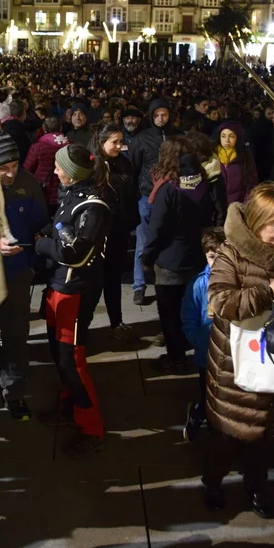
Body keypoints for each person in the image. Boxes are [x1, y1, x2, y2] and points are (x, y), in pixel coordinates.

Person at [204, 182, 274, 519]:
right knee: (226, 434)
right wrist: (269, 290)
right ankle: (213, 482)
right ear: (258, 222)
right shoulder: (231, 252)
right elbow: (221, 302)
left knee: (261, 434)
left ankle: (256, 485)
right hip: (233, 365)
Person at [36, 144, 111, 458]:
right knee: (59, 352)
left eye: (58, 167)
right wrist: (48, 234)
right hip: (60, 285)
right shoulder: (72, 194)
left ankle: (92, 428)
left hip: (75, 290)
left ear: (72, 173)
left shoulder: (93, 207)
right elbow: (58, 229)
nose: (54, 171)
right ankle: (71, 406)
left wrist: (42, 244)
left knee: (72, 360)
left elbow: (75, 253)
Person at [143, 145, 220, 375]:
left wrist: (148, 256)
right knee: (192, 309)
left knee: (170, 314)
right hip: (196, 258)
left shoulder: (169, 190)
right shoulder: (205, 188)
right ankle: (194, 347)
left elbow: (156, 228)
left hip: (169, 262)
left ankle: (176, 359)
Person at [0, 131, 49, 420]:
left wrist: (33, 264)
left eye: (14, 166)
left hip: (17, 273)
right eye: (3, 168)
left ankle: (13, 392)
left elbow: (40, 223)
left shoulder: (27, 182)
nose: (10, 174)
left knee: (16, 335)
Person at [93, 123, 139, 339]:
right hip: (97, 232)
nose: (120, 146)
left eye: (121, 141)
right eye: (115, 142)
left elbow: (131, 193)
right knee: (94, 281)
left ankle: (116, 321)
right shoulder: (93, 164)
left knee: (113, 278)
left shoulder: (124, 164)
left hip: (119, 230)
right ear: (102, 142)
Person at [131, 98, 178, 306]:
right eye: (157, 115)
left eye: (164, 114)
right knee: (142, 243)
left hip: (172, 196)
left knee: (169, 241)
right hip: (146, 195)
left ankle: (166, 284)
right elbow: (134, 166)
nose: (160, 118)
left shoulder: (177, 137)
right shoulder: (142, 138)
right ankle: (139, 286)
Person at [181, 229, 225, 442]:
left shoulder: (237, 282)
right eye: (212, 256)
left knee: (224, 396)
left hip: (229, 353)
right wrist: (199, 340)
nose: (216, 262)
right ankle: (197, 414)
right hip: (206, 353)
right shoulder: (199, 284)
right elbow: (188, 317)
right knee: (206, 394)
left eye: (222, 256)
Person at [23, 115, 69, 210]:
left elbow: (26, 170)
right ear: (61, 128)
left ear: (44, 128)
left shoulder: (37, 147)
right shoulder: (71, 145)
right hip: (66, 192)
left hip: (44, 193)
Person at [214, 121, 258, 205]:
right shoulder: (212, 156)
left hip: (237, 206)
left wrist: (244, 206)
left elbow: (251, 185)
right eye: (223, 136)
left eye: (231, 136)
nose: (226, 140)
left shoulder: (245, 157)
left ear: (237, 137)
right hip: (216, 208)